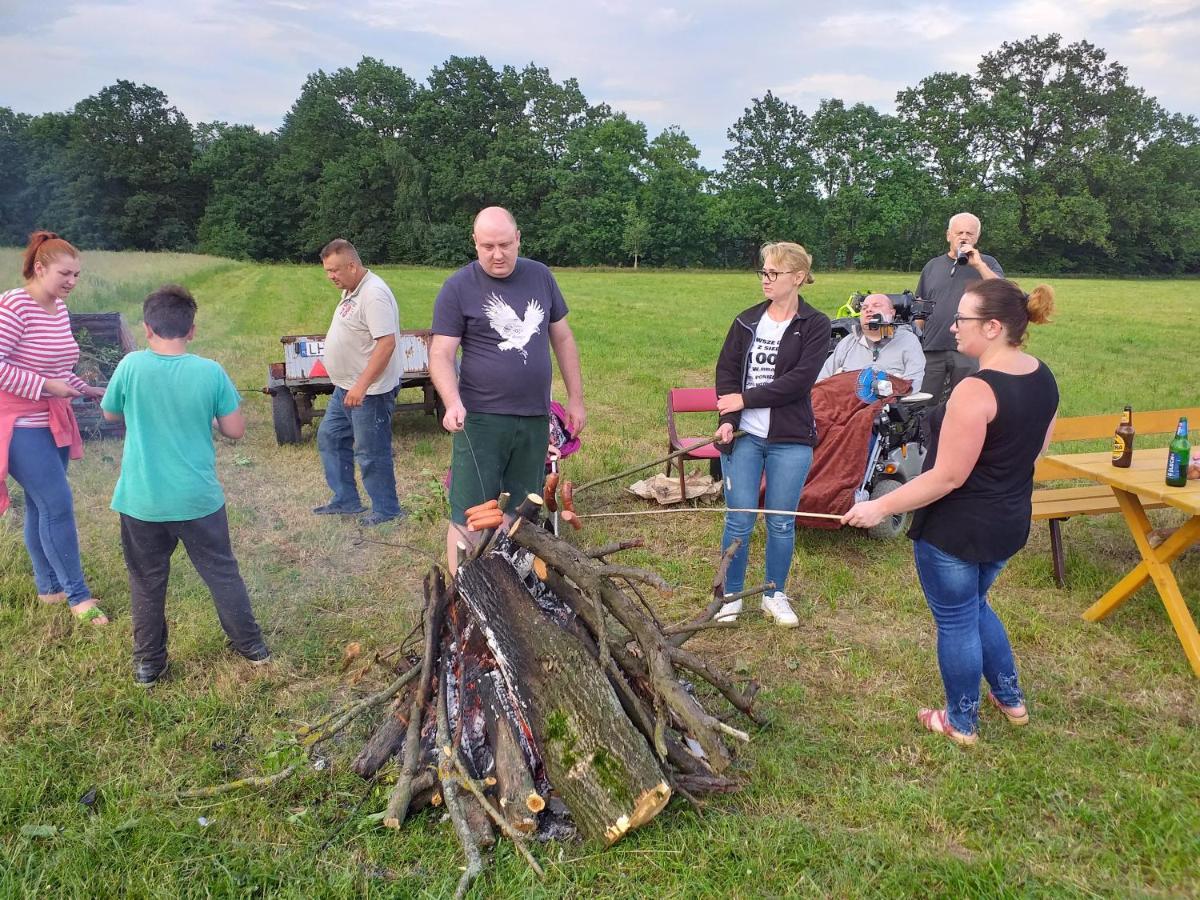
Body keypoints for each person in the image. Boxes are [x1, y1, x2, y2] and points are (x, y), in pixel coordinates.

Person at [842, 278, 1058, 746]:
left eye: (963, 318)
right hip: (1009, 520)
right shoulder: (1043, 376)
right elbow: (1036, 455)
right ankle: (1011, 699)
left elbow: (945, 478)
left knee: (957, 620)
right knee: (975, 607)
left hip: (957, 531)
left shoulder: (975, 392)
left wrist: (878, 506)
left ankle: (961, 722)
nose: (952, 326)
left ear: (994, 326)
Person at [101, 285, 270, 685]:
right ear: (191, 330)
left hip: (142, 501)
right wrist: (207, 418)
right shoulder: (210, 371)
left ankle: (148, 664)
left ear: (147, 328)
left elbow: (110, 415)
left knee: (146, 581)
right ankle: (252, 648)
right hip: (198, 501)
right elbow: (235, 430)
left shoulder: (130, 367)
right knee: (222, 574)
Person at [430, 207, 585, 569]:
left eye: (504, 244)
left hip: (534, 417)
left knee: (522, 512)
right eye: (487, 246)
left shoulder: (540, 277)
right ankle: (465, 597)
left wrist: (576, 400)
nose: (497, 254)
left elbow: (562, 338)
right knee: (470, 513)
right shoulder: (458, 287)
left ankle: (515, 588)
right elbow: (441, 352)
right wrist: (451, 402)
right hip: (480, 420)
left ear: (518, 239)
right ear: (475, 243)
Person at [714, 242, 831, 628]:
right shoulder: (746, 321)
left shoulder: (814, 325)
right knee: (739, 518)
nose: (765, 279)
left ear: (797, 278)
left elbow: (798, 383)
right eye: (763, 272)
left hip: (790, 439)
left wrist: (744, 397)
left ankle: (773, 593)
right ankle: (729, 594)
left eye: (773, 273)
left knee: (781, 521)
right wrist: (730, 417)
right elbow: (727, 373)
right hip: (745, 437)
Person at [0, 231, 107, 625]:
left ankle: (49, 588)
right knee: (58, 506)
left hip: (53, 419)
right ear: (39, 268)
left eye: (77, 275)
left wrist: (86, 388)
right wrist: (45, 387)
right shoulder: (14, 306)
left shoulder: (58, 309)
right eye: (66, 274)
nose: (72, 282)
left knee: (39, 505)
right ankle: (79, 597)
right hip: (18, 424)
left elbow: (60, 369)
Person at [313, 239, 404, 526]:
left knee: (370, 451)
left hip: (369, 392)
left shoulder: (374, 293)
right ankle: (346, 500)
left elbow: (386, 344)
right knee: (330, 437)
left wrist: (361, 386)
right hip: (346, 387)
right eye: (327, 271)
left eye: (334, 270)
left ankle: (387, 510)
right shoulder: (351, 289)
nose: (330, 276)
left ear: (352, 265)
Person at [915, 213, 1003, 404]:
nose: (963, 237)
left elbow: (1003, 291)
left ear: (977, 237)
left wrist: (978, 264)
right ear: (948, 235)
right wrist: (914, 340)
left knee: (967, 403)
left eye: (969, 233)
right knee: (923, 404)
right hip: (932, 348)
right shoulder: (932, 266)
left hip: (970, 349)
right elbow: (919, 308)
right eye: (959, 232)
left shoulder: (988, 263)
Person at [818, 293, 926, 391]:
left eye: (876, 306)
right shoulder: (849, 342)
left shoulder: (907, 340)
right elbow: (821, 380)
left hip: (889, 406)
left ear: (892, 312)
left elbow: (914, 382)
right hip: (844, 405)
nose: (869, 310)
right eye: (864, 308)